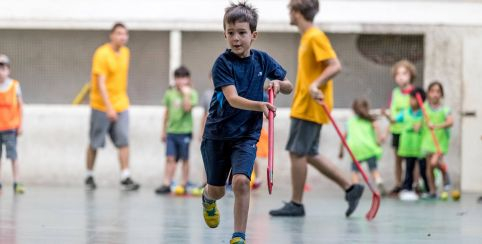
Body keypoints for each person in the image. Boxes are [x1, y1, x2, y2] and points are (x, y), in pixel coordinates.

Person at [200, 2, 293, 243]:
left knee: (241, 182)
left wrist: (278, 85)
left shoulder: (263, 60)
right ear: (225, 34)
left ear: (253, 35)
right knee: (218, 190)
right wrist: (260, 105)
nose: (236, 38)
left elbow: (289, 85)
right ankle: (208, 199)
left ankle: (238, 236)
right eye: (230, 33)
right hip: (218, 134)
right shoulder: (222, 64)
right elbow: (232, 99)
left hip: (246, 136)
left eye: (242, 33)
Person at [269, 0, 364, 218]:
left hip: (309, 106)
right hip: (304, 104)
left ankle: (296, 203)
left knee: (297, 152)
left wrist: (315, 84)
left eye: (290, 10)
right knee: (308, 153)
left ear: (297, 12)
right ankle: (351, 188)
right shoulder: (307, 38)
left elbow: (335, 65)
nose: (289, 14)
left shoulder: (315, 36)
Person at [84, 22, 140, 191]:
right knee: (95, 143)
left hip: (121, 104)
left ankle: (125, 176)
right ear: (111, 35)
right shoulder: (102, 54)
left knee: (123, 140)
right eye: (119, 34)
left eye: (125, 34)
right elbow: (100, 83)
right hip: (101, 105)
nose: (122, 37)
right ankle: (89, 175)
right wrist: (108, 107)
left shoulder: (126, 53)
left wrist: (117, 105)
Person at [155, 66, 198, 195]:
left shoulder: (192, 93)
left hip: (184, 131)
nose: (181, 81)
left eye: (184, 78)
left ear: (188, 79)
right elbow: (167, 112)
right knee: (170, 158)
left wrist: (185, 94)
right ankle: (166, 183)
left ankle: (184, 182)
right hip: (171, 131)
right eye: (178, 78)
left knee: (185, 158)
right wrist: (163, 130)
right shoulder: (170, 93)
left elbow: (187, 108)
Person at [384, 87, 429, 201]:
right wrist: (386, 115)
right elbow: (394, 120)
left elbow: (429, 126)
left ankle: (427, 189)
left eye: (413, 98)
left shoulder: (424, 115)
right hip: (407, 148)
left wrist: (422, 125)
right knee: (409, 168)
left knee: (423, 169)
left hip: (420, 148)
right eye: (410, 98)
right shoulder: (404, 113)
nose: (410, 100)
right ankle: (407, 188)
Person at [339, 98, 386, 196]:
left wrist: (341, 150)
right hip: (369, 148)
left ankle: (356, 187)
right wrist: (378, 140)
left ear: (353, 109)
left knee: (355, 171)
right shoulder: (370, 120)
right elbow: (377, 128)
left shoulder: (350, 122)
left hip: (355, 150)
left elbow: (344, 136)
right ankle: (378, 181)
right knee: (373, 169)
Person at [386, 60, 416, 196]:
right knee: (398, 159)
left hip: (410, 132)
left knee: (411, 159)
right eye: (397, 74)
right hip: (397, 130)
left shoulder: (415, 93)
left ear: (411, 75)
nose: (401, 77)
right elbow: (392, 111)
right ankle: (399, 184)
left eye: (404, 73)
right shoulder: (395, 92)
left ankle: (414, 184)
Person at [421, 81, 453, 198]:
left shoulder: (445, 109)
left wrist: (436, 126)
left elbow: (450, 122)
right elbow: (419, 122)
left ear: (441, 94)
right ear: (428, 93)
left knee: (435, 162)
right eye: (432, 91)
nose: (435, 94)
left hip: (440, 141)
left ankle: (445, 172)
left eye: (438, 91)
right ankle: (432, 191)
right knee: (429, 167)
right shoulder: (424, 108)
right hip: (428, 141)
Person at [0, 54, 25, 194]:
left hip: (10, 128)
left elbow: (20, 106)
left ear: (8, 70)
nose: (0, 72)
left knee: (13, 156)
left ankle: (17, 182)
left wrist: (20, 125)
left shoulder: (14, 86)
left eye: (3, 68)